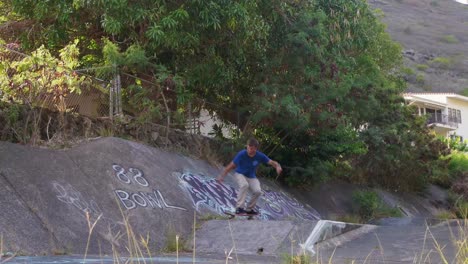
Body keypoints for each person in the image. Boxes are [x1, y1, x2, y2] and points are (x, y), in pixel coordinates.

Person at [216, 138, 282, 215]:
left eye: (252, 149)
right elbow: (231, 165)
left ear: (256, 149)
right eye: (249, 148)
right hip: (240, 174)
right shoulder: (241, 154)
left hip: (251, 176)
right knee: (244, 185)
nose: (250, 151)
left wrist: (278, 166)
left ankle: (249, 209)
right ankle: (239, 208)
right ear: (247, 146)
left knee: (258, 191)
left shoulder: (260, 156)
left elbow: (271, 162)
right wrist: (222, 176)